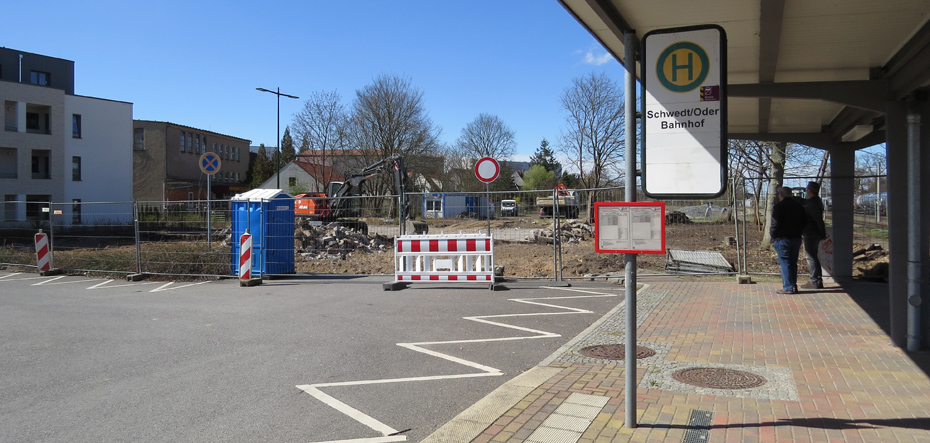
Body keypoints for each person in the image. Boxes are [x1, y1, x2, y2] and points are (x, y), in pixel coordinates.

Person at [770, 186, 807, 294]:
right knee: (793, 262)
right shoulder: (799, 206)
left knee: (785, 262)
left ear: (781, 195)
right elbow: (805, 221)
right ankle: (793, 285)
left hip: (782, 238)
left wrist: (773, 235)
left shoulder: (778, 207)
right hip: (796, 238)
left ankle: (788, 287)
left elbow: (775, 224)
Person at [799, 181, 827, 289]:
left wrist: (822, 233)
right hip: (813, 232)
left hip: (811, 232)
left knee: (811, 257)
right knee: (813, 256)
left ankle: (814, 281)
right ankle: (817, 280)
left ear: (809, 190)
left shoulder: (812, 204)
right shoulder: (815, 201)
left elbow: (818, 220)